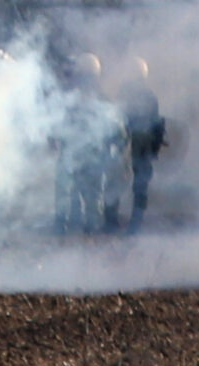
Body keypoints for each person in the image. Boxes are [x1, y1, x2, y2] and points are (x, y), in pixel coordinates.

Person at [53, 51, 126, 234]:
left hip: (73, 155)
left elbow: (56, 125)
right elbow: (118, 132)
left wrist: (57, 142)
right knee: (92, 196)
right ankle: (90, 230)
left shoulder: (68, 99)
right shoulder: (104, 101)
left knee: (69, 194)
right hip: (95, 155)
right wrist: (115, 148)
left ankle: (65, 227)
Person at [117, 55, 168, 233]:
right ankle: (134, 222)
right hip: (139, 144)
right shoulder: (148, 96)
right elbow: (156, 123)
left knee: (123, 182)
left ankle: (114, 220)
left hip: (130, 143)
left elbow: (118, 117)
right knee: (139, 184)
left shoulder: (125, 93)